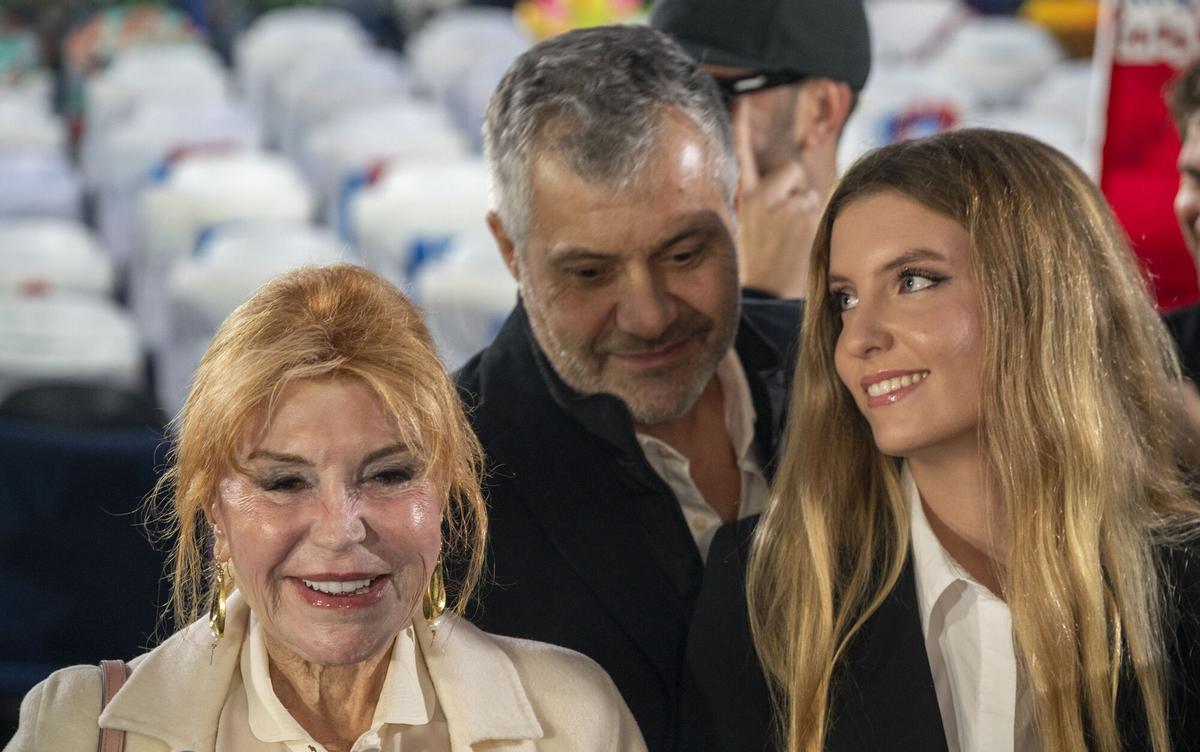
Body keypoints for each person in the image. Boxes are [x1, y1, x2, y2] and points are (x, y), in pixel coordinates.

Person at [687, 129, 1200, 751]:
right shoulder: (763, 589)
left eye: (913, 281)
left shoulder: (1183, 576)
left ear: (1043, 293)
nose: (858, 339)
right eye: (844, 299)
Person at [6, 264, 645, 752]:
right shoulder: (75, 728)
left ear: (447, 493)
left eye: (390, 475)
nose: (342, 531)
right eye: (285, 482)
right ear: (214, 515)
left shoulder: (574, 720)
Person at [457, 25, 802, 752]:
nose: (648, 316)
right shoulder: (433, 491)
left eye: (685, 253)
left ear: (736, 208)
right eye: (589, 273)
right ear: (509, 251)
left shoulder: (853, 375)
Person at [650, 0, 870, 300]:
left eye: (715, 95)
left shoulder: (897, 280)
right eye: (663, 92)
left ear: (822, 111)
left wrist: (764, 299)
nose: (680, 124)